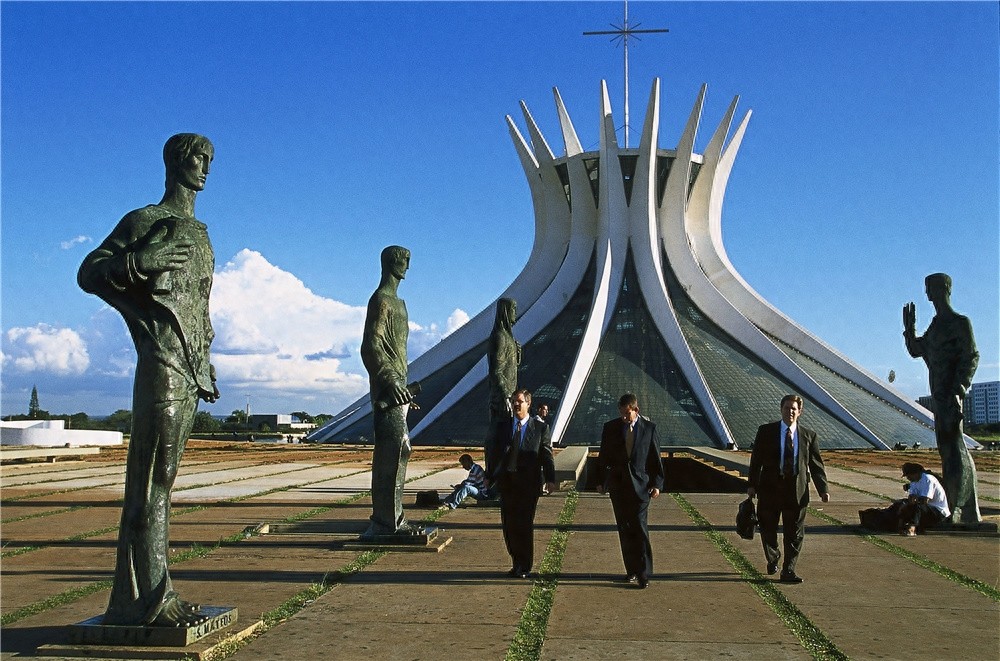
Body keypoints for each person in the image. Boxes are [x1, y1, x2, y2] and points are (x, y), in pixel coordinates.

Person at [78, 133, 219, 627]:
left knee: (164, 480)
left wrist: (204, 354)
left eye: (209, 160)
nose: (205, 168)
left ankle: (137, 596)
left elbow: (196, 306)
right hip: (160, 362)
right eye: (197, 158)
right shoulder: (145, 221)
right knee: (151, 481)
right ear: (175, 162)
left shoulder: (200, 233)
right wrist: (139, 262)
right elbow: (90, 271)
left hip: (189, 366)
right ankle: (153, 599)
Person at [904, 273, 981, 526]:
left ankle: (961, 506)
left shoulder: (959, 323)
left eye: (931, 289)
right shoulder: (936, 326)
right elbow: (917, 350)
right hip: (938, 394)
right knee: (946, 449)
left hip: (951, 395)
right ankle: (954, 504)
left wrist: (959, 389)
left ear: (944, 290)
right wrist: (909, 330)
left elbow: (971, 357)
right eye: (927, 290)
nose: (928, 295)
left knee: (955, 447)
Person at [360, 245, 420, 540]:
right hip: (387, 389)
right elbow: (370, 346)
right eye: (403, 260)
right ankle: (385, 524)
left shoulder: (401, 304)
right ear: (389, 262)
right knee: (393, 450)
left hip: (399, 390)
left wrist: (404, 387)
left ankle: (393, 520)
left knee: (400, 450)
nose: (407, 265)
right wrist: (391, 381)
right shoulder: (381, 301)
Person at [747, 394, 830, 584]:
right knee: (768, 529)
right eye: (787, 408)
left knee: (795, 534)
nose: (790, 411)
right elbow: (756, 460)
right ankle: (773, 556)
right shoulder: (766, 431)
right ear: (781, 409)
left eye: (794, 409)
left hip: (796, 491)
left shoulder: (809, 435)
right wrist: (751, 485)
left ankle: (788, 570)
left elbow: (816, 465)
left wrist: (822, 489)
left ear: (799, 412)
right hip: (770, 489)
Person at [596, 393, 665, 589]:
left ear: (636, 410)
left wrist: (657, 484)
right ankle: (631, 570)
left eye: (628, 413)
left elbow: (655, 459)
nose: (625, 417)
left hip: (641, 487)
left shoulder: (649, 429)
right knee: (625, 529)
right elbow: (604, 457)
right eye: (622, 413)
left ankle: (644, 572)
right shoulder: (611, 428)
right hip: (618, 486)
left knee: (639, 528)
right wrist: (601, 481)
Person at [487, 389, 555, 578]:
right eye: (513, 401)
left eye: (519, 401)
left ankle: (524, 565)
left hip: (528, 485)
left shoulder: (540, 429)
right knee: (509, 526)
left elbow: (546, 456)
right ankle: (516, 561)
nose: (516, 405)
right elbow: (494, 454)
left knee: (524, 525)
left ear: (528, 404)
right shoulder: (503, 426)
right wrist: (489, 475)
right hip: (507, 483)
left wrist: (550, 479)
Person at [486, 297, 520, 475]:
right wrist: (507, 396)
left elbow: (508, 368)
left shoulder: (508, 338)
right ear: (505, 312)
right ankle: (493, 479)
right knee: (498, 440)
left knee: (507, 440)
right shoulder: (499, 337)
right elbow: (496, 371)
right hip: (502, 399)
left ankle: (501, 479)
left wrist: (517, 356)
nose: (516, 314)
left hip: (509, 396)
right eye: (513, 310)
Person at [898, 462, 950, 536]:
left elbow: (925, 501)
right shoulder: (913, 482)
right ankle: (901, 527)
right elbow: (911, 497)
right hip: (925, 509)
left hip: (938, 511)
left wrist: (913, 501)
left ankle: (912, 529)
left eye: (909, 476)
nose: (908, 478)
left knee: (917, 506)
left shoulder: (927, 479)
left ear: (916, 473)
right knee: (903, 504)